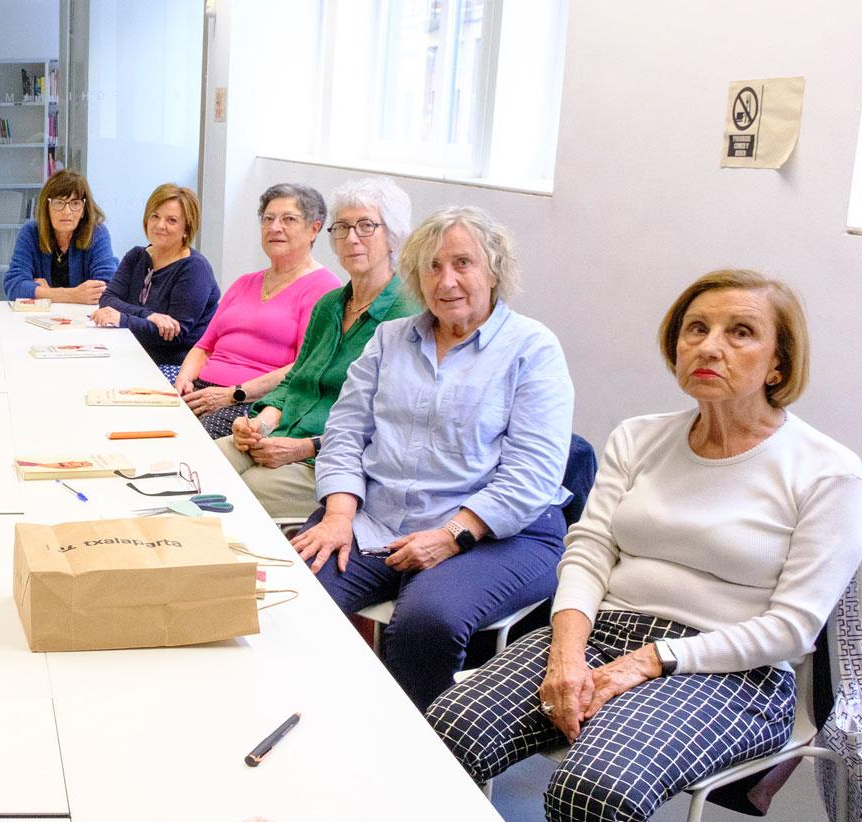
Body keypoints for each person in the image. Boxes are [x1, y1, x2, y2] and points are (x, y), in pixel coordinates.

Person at [428, 270, 862, 822]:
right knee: (447, 731)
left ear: (779, 362)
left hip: (731, 670)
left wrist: (648, 663)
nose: (710, 347)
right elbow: (589, 550)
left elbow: (790, 629)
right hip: (604, 630)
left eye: (740, 333)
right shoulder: (641, 436)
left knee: (593, 792)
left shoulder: (826, 470)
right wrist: (566, 654)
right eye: (696, 330)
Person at [292, 205, 573, 711]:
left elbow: (532, 474)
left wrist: (452, 536)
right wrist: (338, 515)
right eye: (432, 266)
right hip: (376, 517)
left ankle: (413, 759)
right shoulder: (389, 339)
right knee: (293, 595)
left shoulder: (533, 348)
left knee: (427, 621)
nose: (447, 281)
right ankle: (315, 723)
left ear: (494, 269)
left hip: (495, 533)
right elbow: (344, 432)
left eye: (463, 263)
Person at [219, 177, 416, 519]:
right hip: (280, 436)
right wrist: (259, 425)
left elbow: (391, 423)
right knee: (193, 467)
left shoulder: (407, 315)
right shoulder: (329, 306)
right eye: (342, 227)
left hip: (335, 463)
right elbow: (294, 382)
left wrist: (304, 447)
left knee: (227, 497)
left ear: (393, 235)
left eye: (366, 226)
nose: (351, 238)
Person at [174, 183, 340, 438]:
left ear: (314, 229)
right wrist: (184, 380)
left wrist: (234, 393)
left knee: (187, 442)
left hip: (249, 403)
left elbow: (303, 366)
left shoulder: (324, 289)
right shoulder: (244, 282)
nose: (275, 227)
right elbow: (204, 346)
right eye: (268, 219)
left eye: (289, 219)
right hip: (200, 391)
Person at [89, 183, 220, 374]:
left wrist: (123, 319)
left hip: (173, 365)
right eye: (155, 216)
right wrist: (148, 316)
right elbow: (107, 300)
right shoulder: (136, 256)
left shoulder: (194, 269)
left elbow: (174, 334)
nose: (160, 225)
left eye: (172, 220)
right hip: (132, 353)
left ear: (187, 227)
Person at [3, 169, 119, 304]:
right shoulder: (31, 232)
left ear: (84, 209)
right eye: (59, 203)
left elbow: (107, 288)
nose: (67, 211)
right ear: (47, 207)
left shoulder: (97, 233)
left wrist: (44, 292)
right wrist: (72, 295)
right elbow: (14, 286)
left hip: (84, 319)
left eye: (75, 203)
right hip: (41, 319)